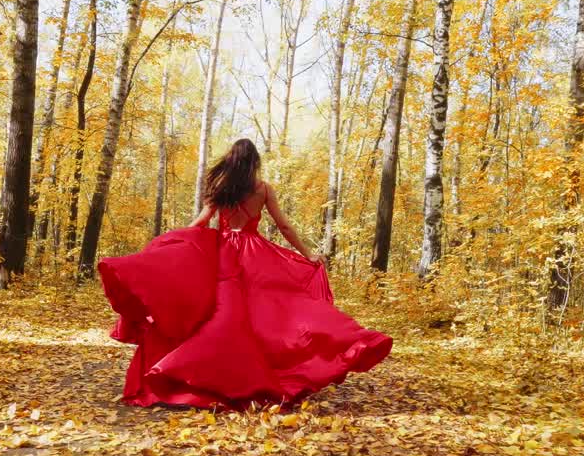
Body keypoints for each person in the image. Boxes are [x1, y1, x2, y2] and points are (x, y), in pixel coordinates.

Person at [98, 138, 392, 409]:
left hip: (223, 252)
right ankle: (340, 344)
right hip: (255, 253)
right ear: (253, 162)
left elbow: (201, 222)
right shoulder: (263, 189)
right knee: (272, 312)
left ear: (232, 160)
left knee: (210, 312)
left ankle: (210, 374)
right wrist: (307, 254)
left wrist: (175, 242)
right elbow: (284, 226)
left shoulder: (220, 186)